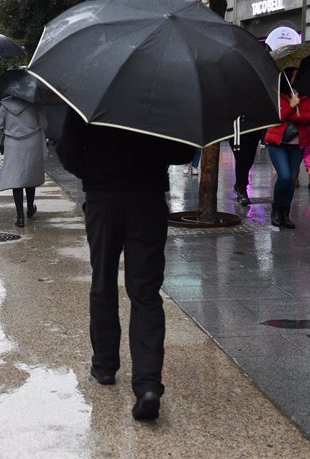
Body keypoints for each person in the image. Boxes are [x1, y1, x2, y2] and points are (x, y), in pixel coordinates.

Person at [57, 108, 194, 421]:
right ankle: (147, 384)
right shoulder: (164, 95)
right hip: (147, 200)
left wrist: (92, 172)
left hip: (103, 199)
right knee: (145, 292)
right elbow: (183, 151)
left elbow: (67, 151)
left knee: (103, 281)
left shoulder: (90, 95)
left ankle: (105, 366)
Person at [263, 67, 310, 229]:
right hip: (277, 144)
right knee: (285, 176)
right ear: (287, 79)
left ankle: (285, 214)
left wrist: (294, 113)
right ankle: (276, 209)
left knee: (291, 179)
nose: (298, 79)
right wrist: (292, 106)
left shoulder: (306, 96)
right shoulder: (278, 96)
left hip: (297, 146)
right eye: (294, 76)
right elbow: (277, 117)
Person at [0, 95, 47, 227]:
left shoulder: (5, 105)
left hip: (13, 144)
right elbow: (44, 124)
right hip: (32, 142)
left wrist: (3, 140)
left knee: (16, 178)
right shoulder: (34, 103)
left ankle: (20, 216)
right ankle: (30, 209)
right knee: (30, 175)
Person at [228, 128, 265, 206]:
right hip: (237, 129)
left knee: (249, 160)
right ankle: (241, 189)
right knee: (242, 160)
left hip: (253, 128)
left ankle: (239, 184)